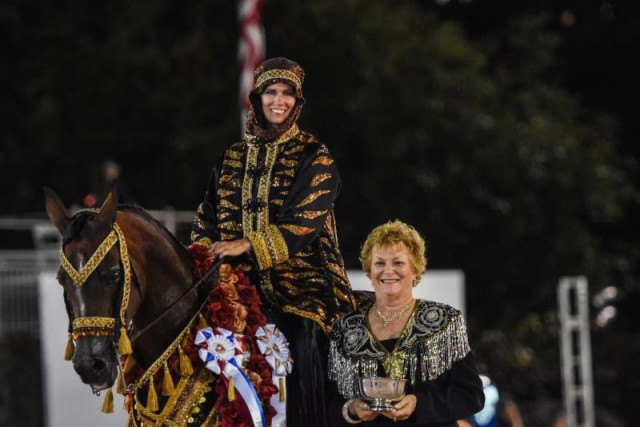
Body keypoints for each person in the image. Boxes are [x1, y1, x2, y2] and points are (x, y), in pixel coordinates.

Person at [190, 57, 357, 426]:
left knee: (305, 335)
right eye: (271, 92)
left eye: (287, 94)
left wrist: (245, 245)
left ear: (298, 102)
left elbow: (303, 224)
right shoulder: (231, 158)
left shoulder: (315, 156)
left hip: (304, 282)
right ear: (257, 97)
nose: (278, 101)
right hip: (236, 283)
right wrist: (202, 255)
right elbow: (206, 218)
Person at [328, 220, 485, 426]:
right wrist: (352, 410)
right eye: (380, 263)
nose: (388, 270)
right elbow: (328, 401)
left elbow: (470, 395)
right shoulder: (346, 328)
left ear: (415, 270)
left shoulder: (445, 320)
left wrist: (419, 404)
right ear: (369, 270)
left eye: (398, 262)